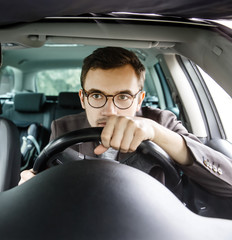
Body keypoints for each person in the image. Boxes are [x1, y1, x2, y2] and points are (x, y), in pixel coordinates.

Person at [19, 47, 232, 197]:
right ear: (83, 99)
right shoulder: (64, 127)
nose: (110, 110)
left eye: (122, 96)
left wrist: (156, 133)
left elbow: (228, 184)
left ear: (139, 99)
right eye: (96, 95)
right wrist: (31, 185)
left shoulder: (162, 122)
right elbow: (50, 182)